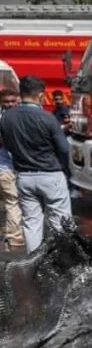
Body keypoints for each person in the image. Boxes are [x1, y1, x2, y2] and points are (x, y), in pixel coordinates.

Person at [0, 76, 72, 253]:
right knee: (60, 220)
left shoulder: (6, 118)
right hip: (51, 174)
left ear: (21, 94)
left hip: (24, 176)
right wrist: (63, 167)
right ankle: (60, 260)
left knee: (31, 223)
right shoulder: (48, 118)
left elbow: (5, 145)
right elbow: (64, 149)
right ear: (40, 96)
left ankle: (34, 264)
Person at [0, 88, 22, 249]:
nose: (10, 104)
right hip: (5, 167)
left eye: (13, 101)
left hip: (16, 167)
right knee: (12, 201)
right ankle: (14, 236)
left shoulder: (23, 116)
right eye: (6, 102)